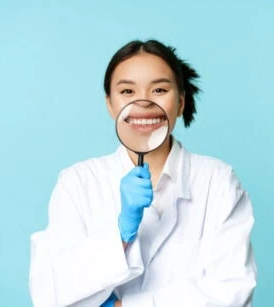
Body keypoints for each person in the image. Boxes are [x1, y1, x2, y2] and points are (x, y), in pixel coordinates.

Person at [29, 39, 257, 307]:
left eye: (159, 89)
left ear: (181, 102)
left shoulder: (217, 181)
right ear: (110, 104)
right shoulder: (77, 182)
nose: (144, 102)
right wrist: (120, 233)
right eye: (127, 91)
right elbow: (49, 290)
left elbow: (232, 290)